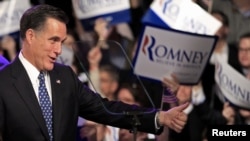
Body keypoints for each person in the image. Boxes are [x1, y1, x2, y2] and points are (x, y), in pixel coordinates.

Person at [0, 4, 188, 141]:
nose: (58, 50)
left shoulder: (64, 76)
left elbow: (106, 109)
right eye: (53, 40)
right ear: (31, 36)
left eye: (62, 42)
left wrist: (159, 117)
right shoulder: (4, 82)